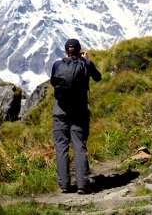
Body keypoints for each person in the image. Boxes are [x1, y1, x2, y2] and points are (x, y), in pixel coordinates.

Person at [50, 38, 101, 194]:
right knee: (79, 146)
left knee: (61, 147)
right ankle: (82, 184)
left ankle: (64, 185)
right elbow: (98, 77)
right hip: (79, 112)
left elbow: (53, 82)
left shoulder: (57, 65)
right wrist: (86, 60)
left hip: (60, 111)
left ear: (66, 50)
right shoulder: (85, 64)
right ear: (79, 50)